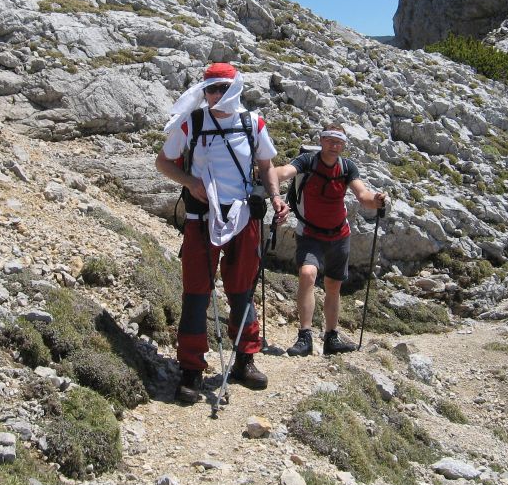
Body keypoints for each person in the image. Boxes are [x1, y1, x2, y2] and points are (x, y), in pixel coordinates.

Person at [155, 62, 288, 404]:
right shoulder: (192, 122)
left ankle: (245, 358)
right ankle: (191, 369)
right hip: (202, 216)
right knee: (197, 291)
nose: (212, 95)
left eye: (219, 89)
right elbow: (163, 162)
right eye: (209, 89)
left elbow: (266, 165)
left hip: (245, 214)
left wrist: (275, 198)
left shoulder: (252, 123)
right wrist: (190, 183)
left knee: (242, 287)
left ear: (233, 89)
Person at [275, 124, 386, 356]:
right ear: (321, 140)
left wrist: (374, 200)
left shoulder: (347, 167)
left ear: (344, 145)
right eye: (330, 140)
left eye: (339, 142)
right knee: (307, 274)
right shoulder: (307, 161)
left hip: (339, 234)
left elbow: (362, 195)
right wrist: (265, 174)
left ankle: (331, 337)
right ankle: (305, 335)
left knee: (333, 285)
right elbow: (285, 172)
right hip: (310, 233)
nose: (334, 146)